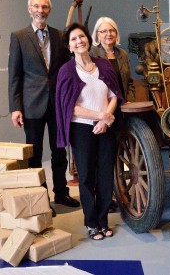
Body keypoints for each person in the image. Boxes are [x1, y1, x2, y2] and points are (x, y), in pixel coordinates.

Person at [8, 0, 80, 216]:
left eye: (45, 7)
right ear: (29, 9)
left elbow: (71, 65)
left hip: (57, 104)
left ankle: (61, 192)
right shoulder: (19, 36)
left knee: (59, 152)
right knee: (35, 154)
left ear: (49, 10)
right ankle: (40, 198)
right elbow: (15, 75)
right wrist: (15, 107)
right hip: (31, 106)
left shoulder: (60, 36)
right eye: (37, 7)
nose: (41, 11)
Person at [55, 22, 124, 240]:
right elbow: (69, 107)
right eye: (74, 39)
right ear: (69, 46)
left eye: (82, 37)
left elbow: (115, 95)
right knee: (85, 176)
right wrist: (99, 116)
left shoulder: (103, 65)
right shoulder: (66, 71)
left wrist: (107, 117)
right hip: (81, 129)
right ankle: (91, 222)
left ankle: (103, 220)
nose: (79, 41)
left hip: (106, 127)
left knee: (105, 175)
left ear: (88, 39)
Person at [90, 17, 136, 102]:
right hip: (102, 106)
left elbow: (129, 83)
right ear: (97, 34)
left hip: (124, 106)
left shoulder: (123, 54)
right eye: (104, 31)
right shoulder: (92, 54)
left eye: (112, 30)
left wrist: (130, 102)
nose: (109, 34)